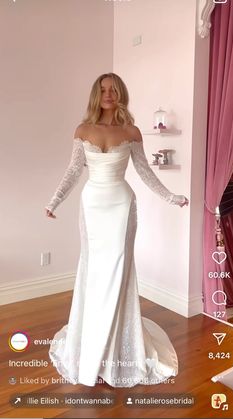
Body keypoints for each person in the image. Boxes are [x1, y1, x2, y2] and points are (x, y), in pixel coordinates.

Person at [45, 72, 189, 388]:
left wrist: (170, 196)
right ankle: (90, 347)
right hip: (92, 208)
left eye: (113, 89)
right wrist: (54, 202)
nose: (108, 93)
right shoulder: (83, 130)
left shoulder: (132, 132)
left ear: (121, 94)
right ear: (96, 95)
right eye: (103, 89)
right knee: (94, 273)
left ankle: (116, 351)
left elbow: (144, 171)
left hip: (122, 208)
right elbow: (73, 171)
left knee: (119, 274)